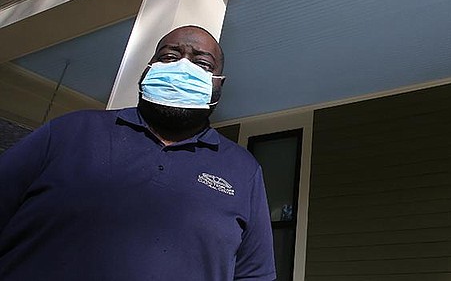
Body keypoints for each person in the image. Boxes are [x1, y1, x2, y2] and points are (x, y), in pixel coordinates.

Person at [0, 25, 276, 281]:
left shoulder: (243, 170)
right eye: (169, 56)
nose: (183, 67)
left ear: (218, 86)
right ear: (147, 71)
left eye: (202, 64)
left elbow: (255, 274)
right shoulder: (69, 131)